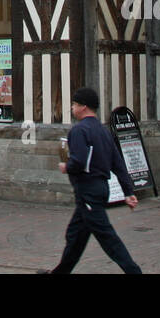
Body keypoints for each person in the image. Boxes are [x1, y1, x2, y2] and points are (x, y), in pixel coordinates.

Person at [44, 87, 142, 275]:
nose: (72, 108)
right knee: (75, 235)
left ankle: (134, 271)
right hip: (98, 189)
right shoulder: (104, 131)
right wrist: (128, 192)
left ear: (83, 107)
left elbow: (79, 161)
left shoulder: (79, 131)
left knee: (107, 238)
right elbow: (118, 164)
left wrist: (67, 167)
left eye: (74, 104)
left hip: (89, 189)